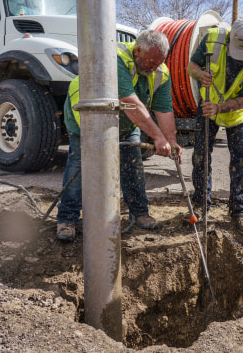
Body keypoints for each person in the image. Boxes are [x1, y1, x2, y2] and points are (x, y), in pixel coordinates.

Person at [56, 30, 182, 241]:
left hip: (123, 121)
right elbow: (130, 103)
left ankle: (140, 212)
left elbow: (164, 109)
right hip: (86, 118)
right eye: (151, 62)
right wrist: (157, 137)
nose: (154, 68)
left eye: (159, 63)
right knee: (79, 165)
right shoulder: (113, 58)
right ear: (138, 51)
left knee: (132, 164)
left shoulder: (160, 72)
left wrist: (170, 140)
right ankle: (67, 218)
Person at [187, 17, 243, 235]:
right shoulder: (213, 39)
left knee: (241, 162)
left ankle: (238, 212)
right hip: (207, 106)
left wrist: (219, 108)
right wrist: (201, 74)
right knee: (201, 155)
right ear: (230, 38)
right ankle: (201, 204)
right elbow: (191, 66)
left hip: (237, 114)